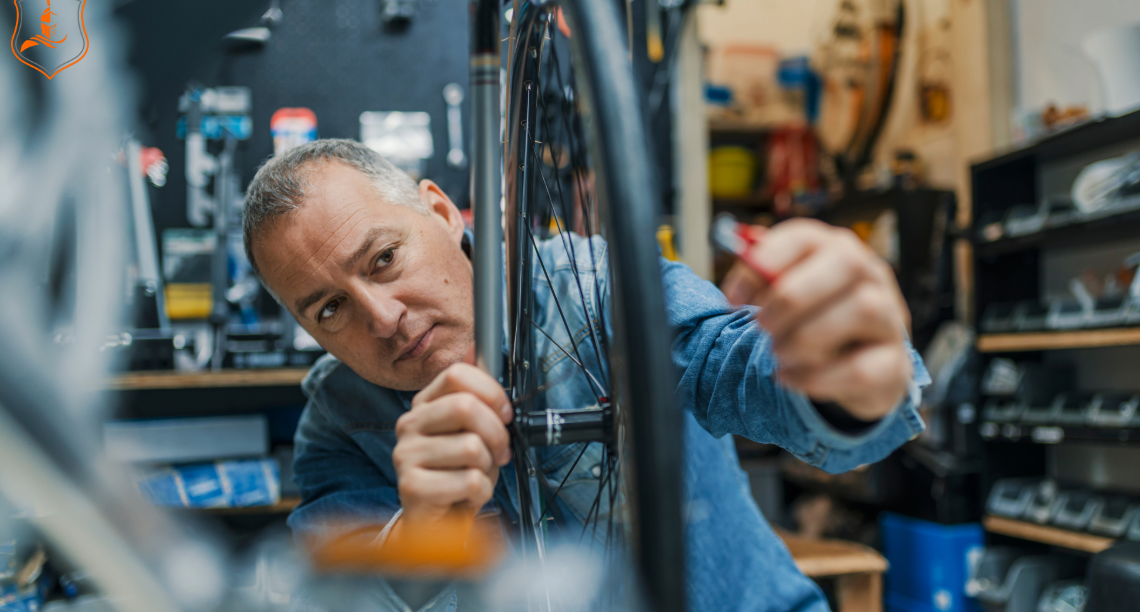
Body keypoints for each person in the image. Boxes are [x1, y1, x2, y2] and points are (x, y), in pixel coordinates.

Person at [243, 139, 929, 612]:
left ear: (444, 213)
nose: (382, 317)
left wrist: (847, 379)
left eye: (384, 258)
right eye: (329, 308)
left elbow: (737, 366)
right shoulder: (338, 423)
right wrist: (425, 528)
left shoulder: (599, 287)